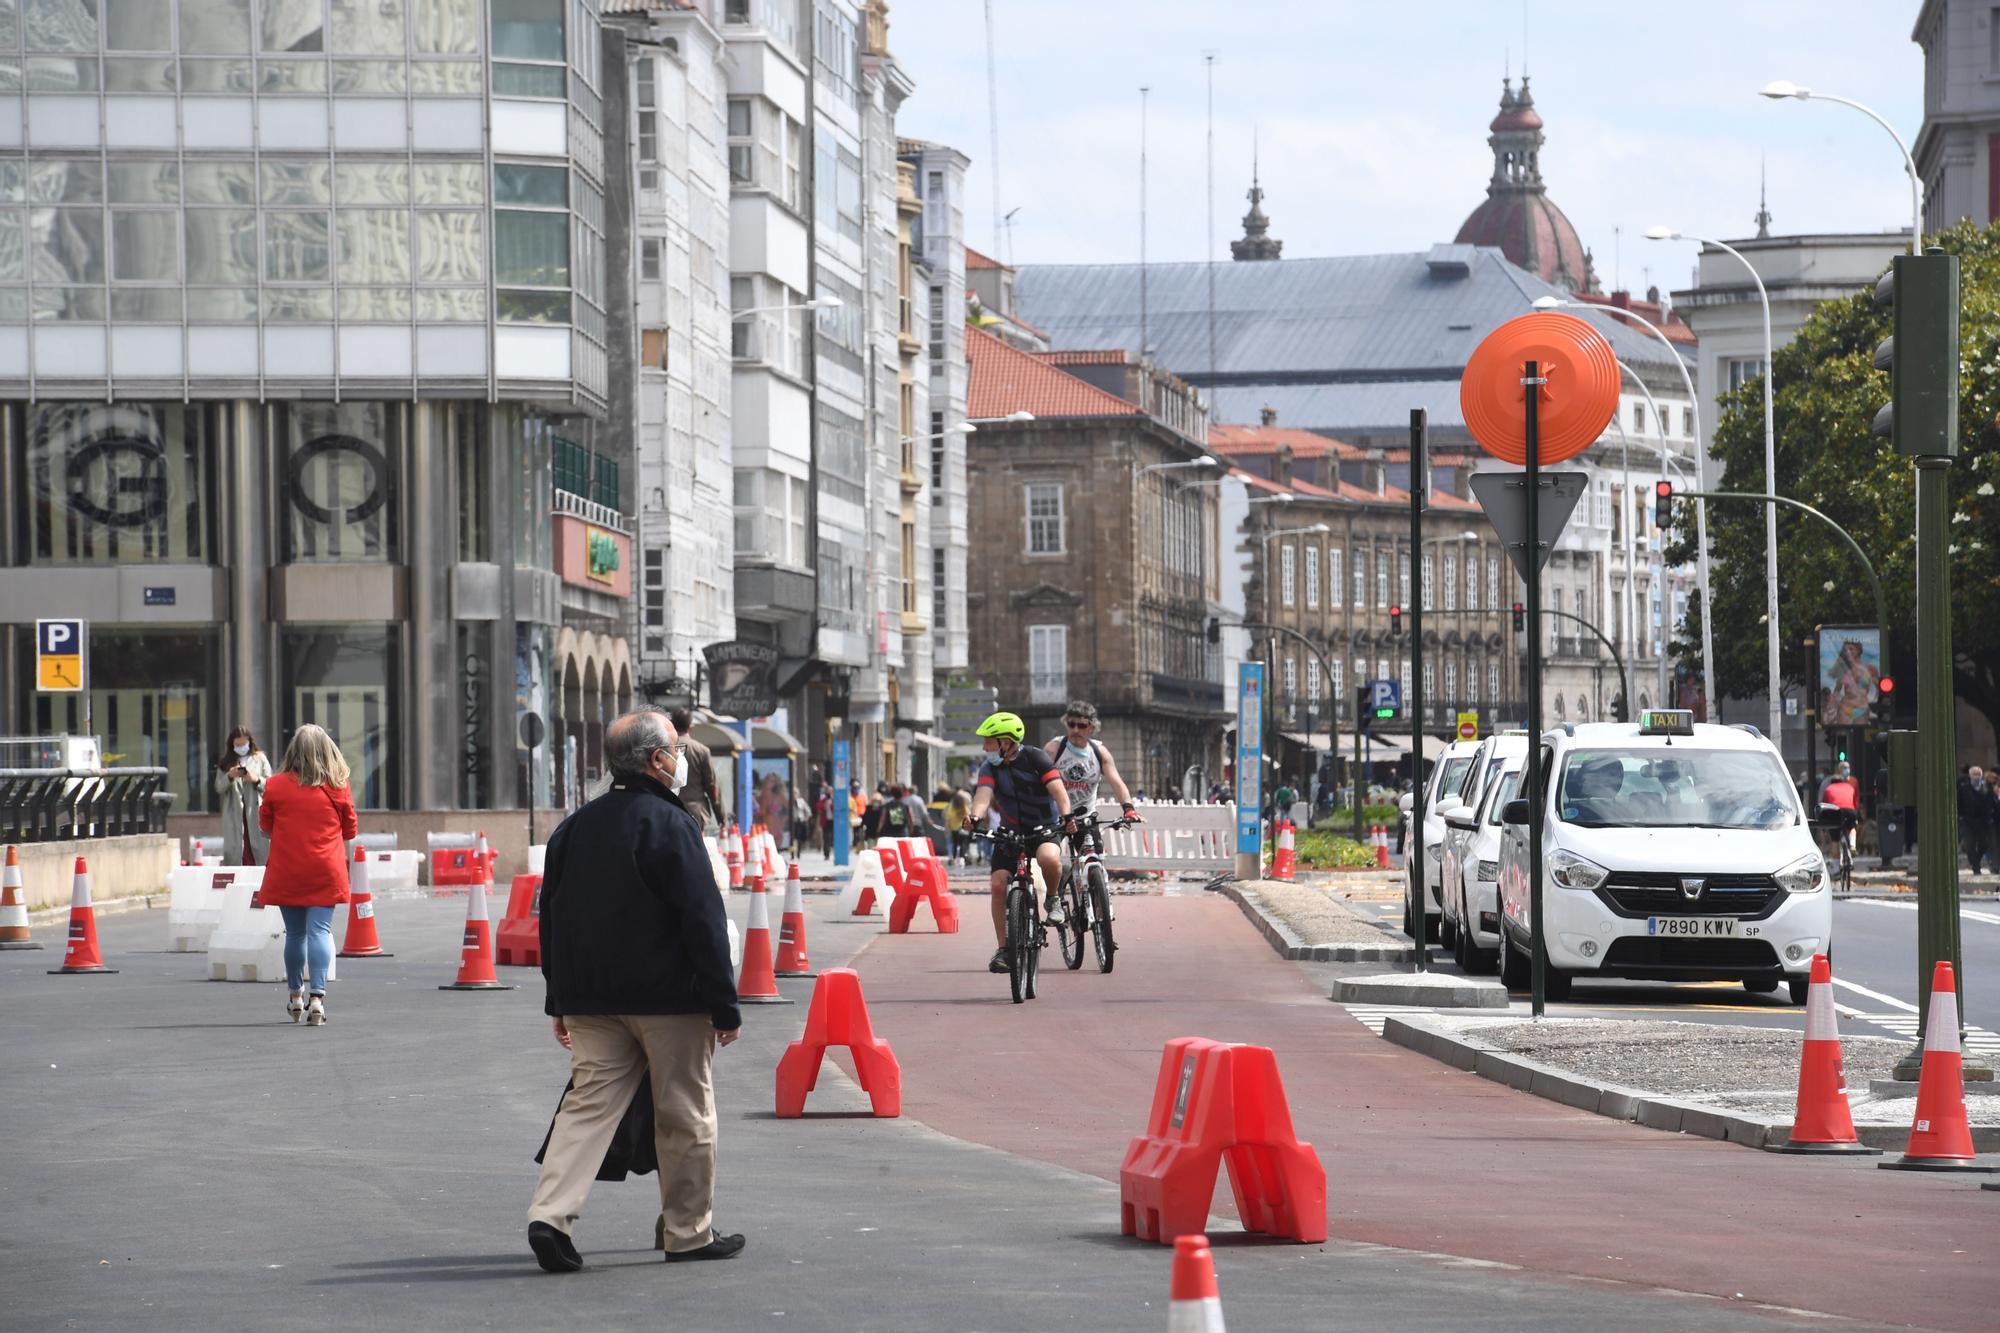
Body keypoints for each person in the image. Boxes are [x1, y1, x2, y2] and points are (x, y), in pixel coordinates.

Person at [527, 708, 743, 1274]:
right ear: (657, 761)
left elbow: (551, 917)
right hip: (671, 1000)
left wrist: (560, 999)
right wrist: (724, 1003)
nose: (679, 760)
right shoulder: (672, 826)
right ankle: (687, 1232)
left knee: (586, 1108)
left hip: (593, 999)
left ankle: (550, 1216)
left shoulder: (574, 828)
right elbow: (703, 920)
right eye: (675, 750)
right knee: (685, 1113)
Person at [257, 724, 357, 1027]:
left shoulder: (275, 785)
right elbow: (350, 828)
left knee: (296, 934)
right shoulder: (338, 785)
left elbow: (264, 827)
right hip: (325, 868)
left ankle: (295, 996)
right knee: (320, 931)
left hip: (289, 868)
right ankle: (318, 998)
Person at [968, 711, 1073, 974]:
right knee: (997, 883)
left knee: (1049, 858)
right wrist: (974, 816)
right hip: (1010, 833)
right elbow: (983, 795)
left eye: (989, 742)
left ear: (1006, 741)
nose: (984, 748)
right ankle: (1004, 949)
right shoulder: (989, 767)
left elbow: (1059, 792)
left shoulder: (1036, 758)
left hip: (1044, 827)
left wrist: (1067, 816)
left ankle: (1053, 899)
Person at [215, 725, 272, 866]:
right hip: (235, 815)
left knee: (259, 853)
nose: (241, 747)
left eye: (244, 744)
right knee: (237, 855)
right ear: (232, 744)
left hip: (254, 812)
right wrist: (230, 776)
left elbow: (271, 785)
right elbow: (219, 787)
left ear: (250, 742)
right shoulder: (226, 763)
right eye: (237, 745)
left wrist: (255, 779)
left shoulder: (260, 759)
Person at [667, 709, 722, 834]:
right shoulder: (701, 751)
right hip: (695, 813)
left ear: (672, 725)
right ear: (691, 727)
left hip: (668, 811)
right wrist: (721, 817)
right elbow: (712, 787)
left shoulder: (664, 749)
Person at [1959, 766, 1997, 875]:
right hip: (1968, 821)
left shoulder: (1987, 787)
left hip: (1983, 822)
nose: (1976, 777)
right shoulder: (1963, 788)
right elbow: (1960, 802)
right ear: (1970, 775)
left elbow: (1991, 801)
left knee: (1984, 844)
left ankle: (1976, 861)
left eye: (1978, 774)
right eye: (1974, 774)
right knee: (1969, 845)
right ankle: (1976, 866)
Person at [946, 789, 973, 865]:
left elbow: (948, 819)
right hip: (963, 830)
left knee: (955, 844)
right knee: (963, 844)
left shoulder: (952, 809)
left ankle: (954, 858)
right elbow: (969, 817)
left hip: (954, 829)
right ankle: (961, 858)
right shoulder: (964, 808)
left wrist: (947, 828)